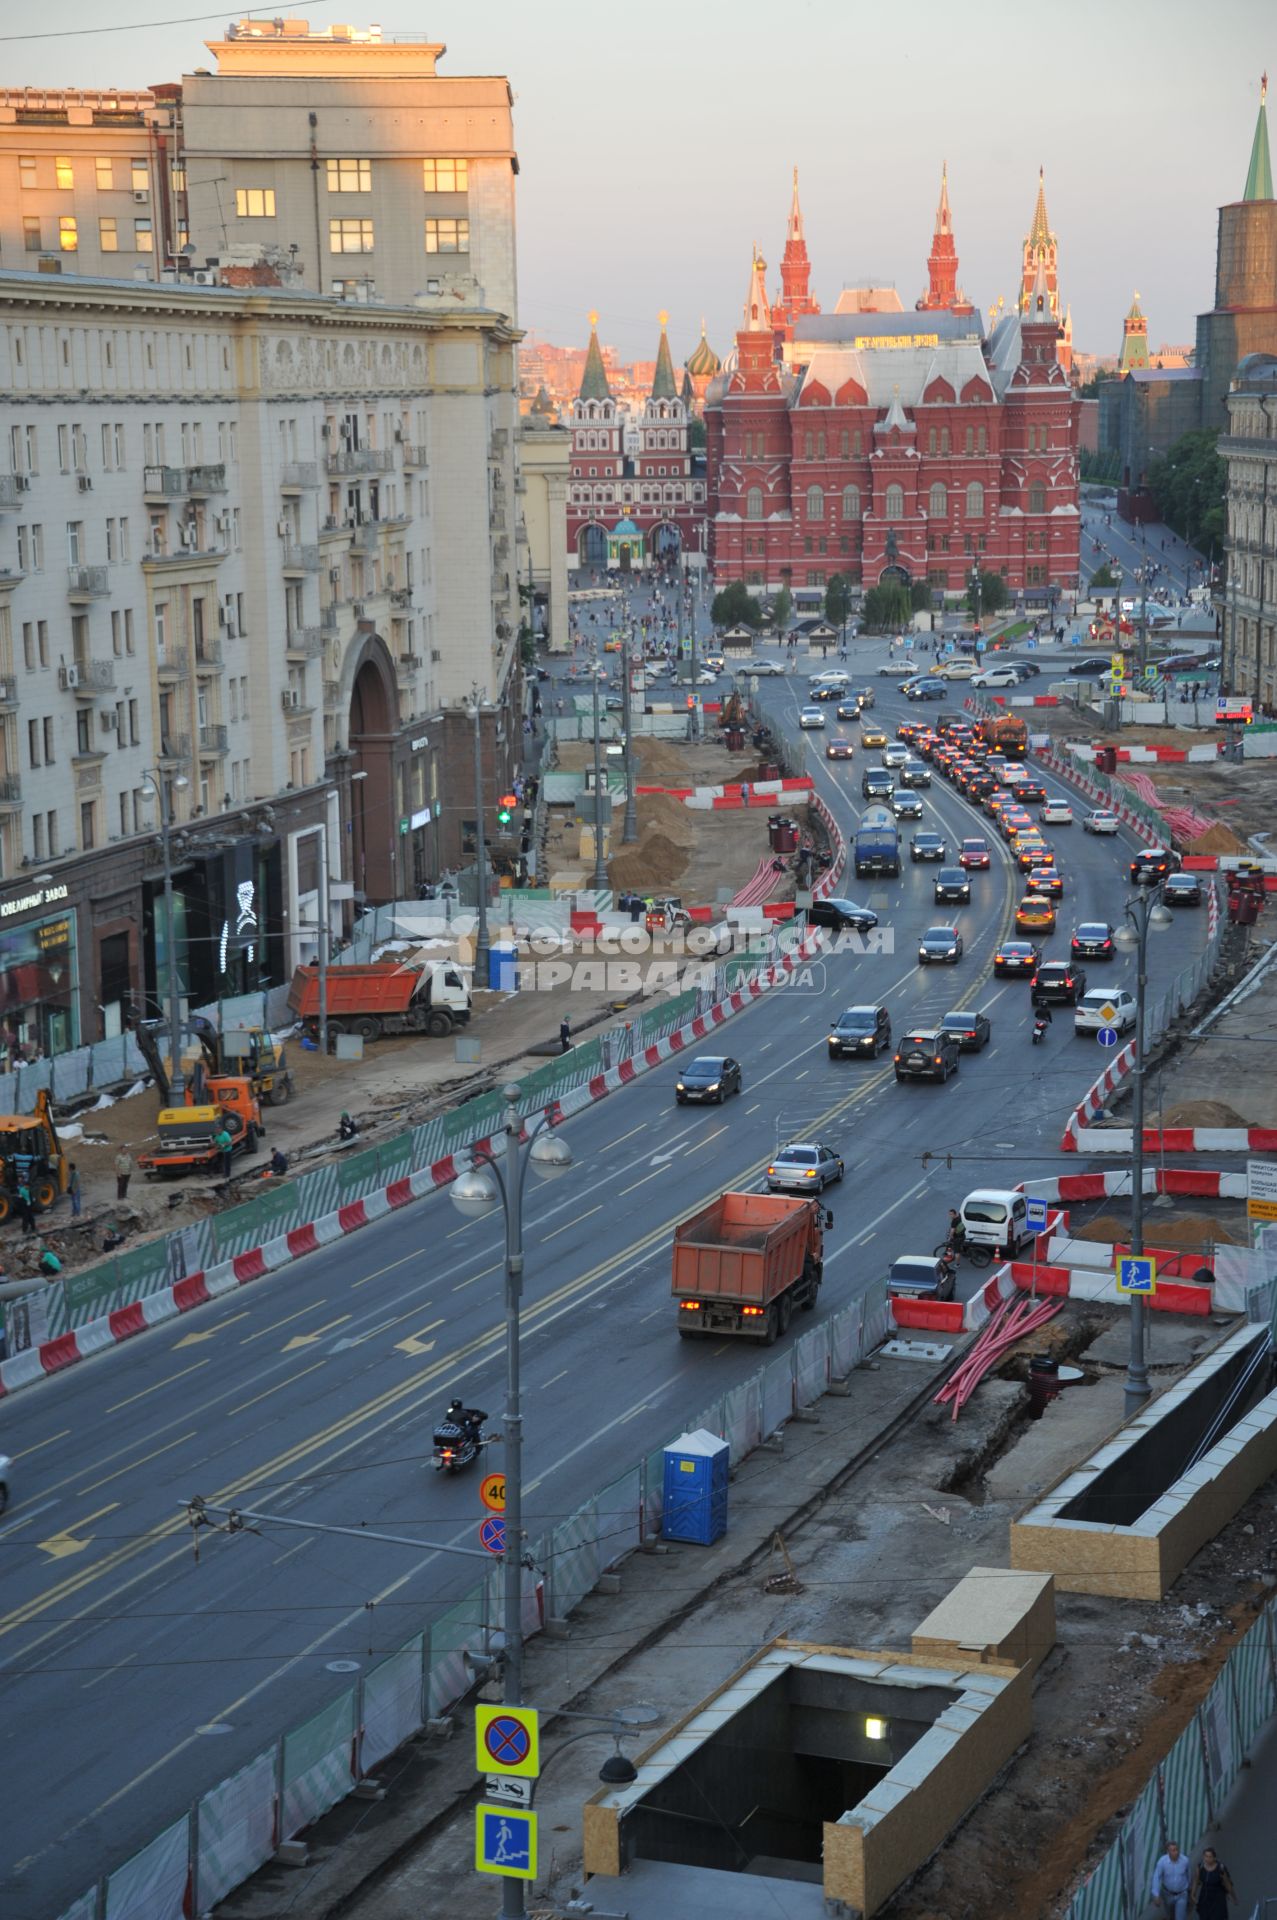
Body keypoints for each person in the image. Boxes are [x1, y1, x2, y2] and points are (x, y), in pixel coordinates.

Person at [1151, 1840, 1191, 1919]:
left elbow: (1188, 1875)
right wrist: (1156, 1894)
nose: (1176, 1852)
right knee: (1169, 1915)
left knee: (1180, 1917)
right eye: (1173, 1850)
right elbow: (1157, 1877)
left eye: (1177, 1849)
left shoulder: (1185, 1861)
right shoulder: (1162, 1862)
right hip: (1167, 1894)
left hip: (1182, 1894)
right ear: (1168, 1852)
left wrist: (1189, 1888)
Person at [1191, 1849, 1236, 1919]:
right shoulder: (1200, 1867)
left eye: (1210, 1857)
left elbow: (1228, 1885)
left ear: (1214, 1858)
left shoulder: (1220, 1868)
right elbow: (1196, 1881)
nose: (1207, 1859)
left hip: (1218, 1899)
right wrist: (1193, 1895)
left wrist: (1234, 1897)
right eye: (1206, 1856)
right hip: (1205, 1899)